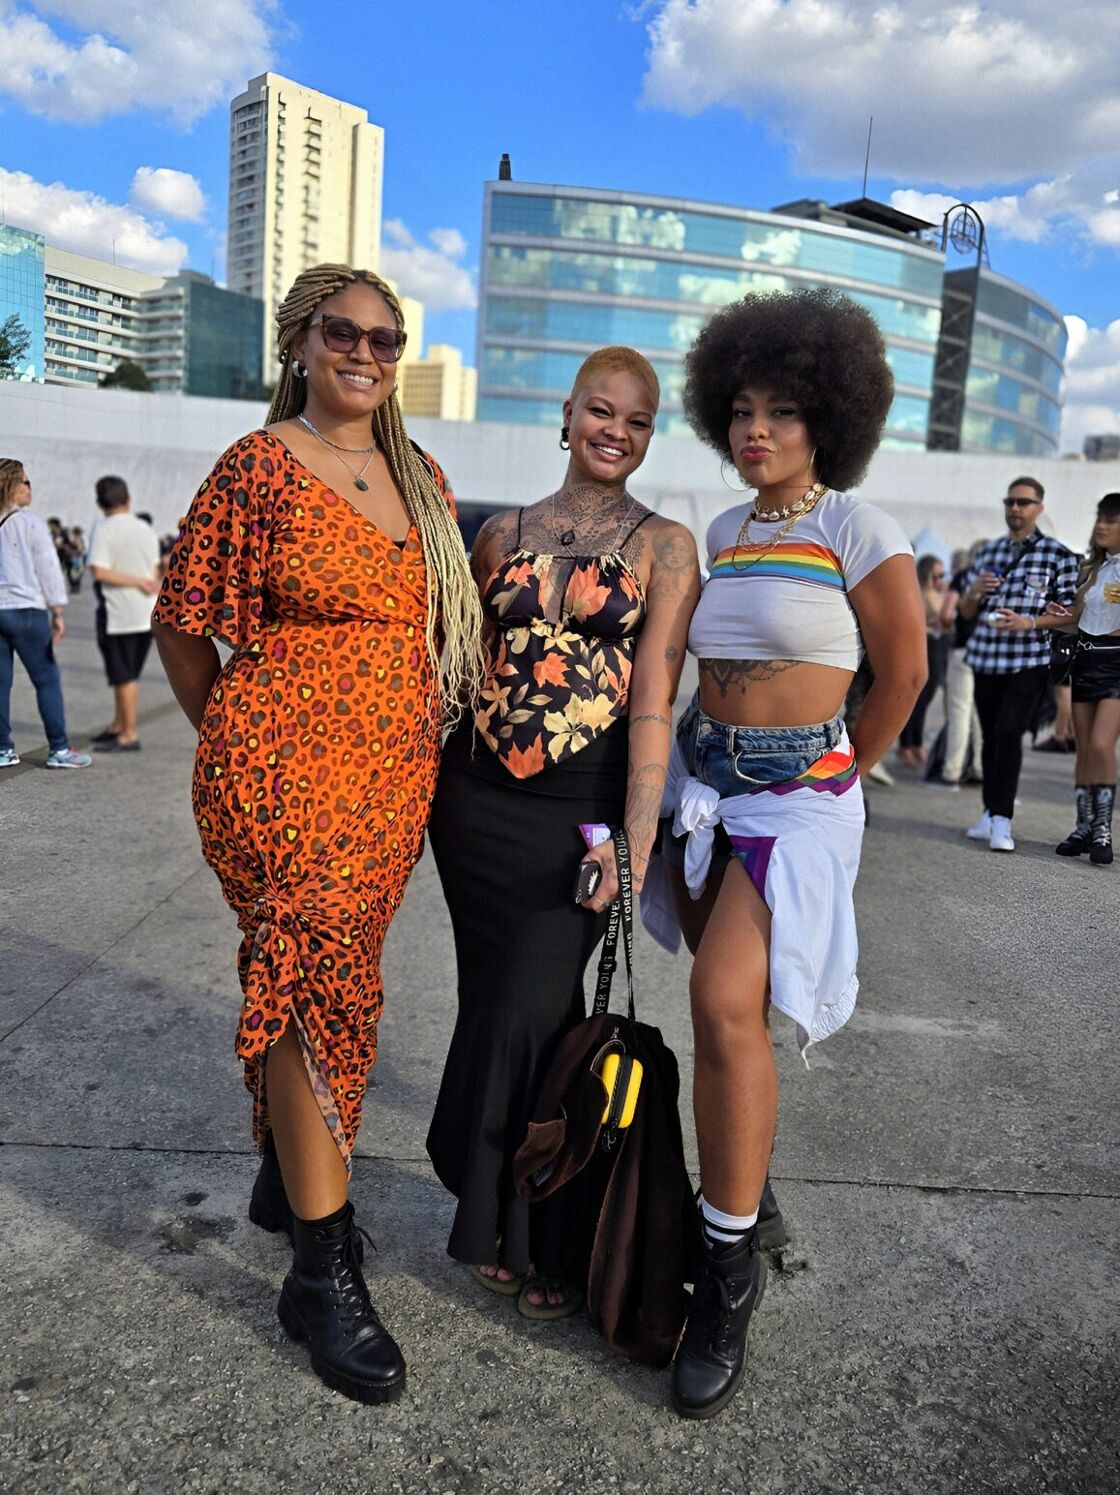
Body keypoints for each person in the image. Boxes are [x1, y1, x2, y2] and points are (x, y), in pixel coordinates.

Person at [153, 264, 484, 1405]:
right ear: (297, 343)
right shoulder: (256, 466)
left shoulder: (422, 476)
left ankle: (283, 1166)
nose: (368, 354)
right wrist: (248, 736)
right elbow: (186, 623)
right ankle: (322, 1272)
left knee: (332, 980)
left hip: (388, 786)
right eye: (343, 333)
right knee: (311, 979)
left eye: (388, 340)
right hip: (281, 772)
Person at [642, 287, 925, 1420]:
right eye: (743, 410)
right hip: (709, 783)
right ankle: (741, 1203)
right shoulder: (720, 531)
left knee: (720, 1003)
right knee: (726, 1019)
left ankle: (725, 1281)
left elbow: (900, 671)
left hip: (800, 797)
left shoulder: (858, 526)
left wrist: (836, 773)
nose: (758, 430)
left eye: (785, 412)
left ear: (830, 423)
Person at [425, 347, 700, 1321]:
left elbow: (655, 704)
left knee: (535, 1009)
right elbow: (458, 670)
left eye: (635, 418)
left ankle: (519, 1214)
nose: (614, 430)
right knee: (492, 1000)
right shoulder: (496, 534)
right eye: (599, 410)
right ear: (567, 414)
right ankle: (509, 1207)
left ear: (647, 432)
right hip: (473, 804)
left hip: (574, 809)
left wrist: (628, 839)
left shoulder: (666, 544)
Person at [996, 493, 1120, 865]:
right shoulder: (1094, 570)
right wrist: (1058, 612)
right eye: (1100, 517)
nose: (1101, 525)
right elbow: (1079, 615)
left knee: (1100, 745)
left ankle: (1102, 829)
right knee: (1083, 749)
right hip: (1084, 662)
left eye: (1111, 520)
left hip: (1117, 665)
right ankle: (1082, 826)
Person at [958, 477, 1079, 853]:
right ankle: (989, 811)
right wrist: (976, 591)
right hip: (986, 655)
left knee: (1011, 730)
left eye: (1024, 502)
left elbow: (1072, 612)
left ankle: (1002, 819)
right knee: (991, 736)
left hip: (1029, 657)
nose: (1015, 508)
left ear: (1039, 507)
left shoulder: (1058, 555)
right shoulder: (988, 552)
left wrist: (1030, 622)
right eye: (1010, 501)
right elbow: (965, 612)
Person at [0, 459, 91, 770]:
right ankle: (59, 749)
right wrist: (58, 610)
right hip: (26, 611)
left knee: (0, 683)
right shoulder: (31, 524)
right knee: (46, 680)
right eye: (26, 481)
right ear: (12, 486)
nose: (30, 487)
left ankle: (2, 749)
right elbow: (49, 570)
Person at [88, 476, 161, 752]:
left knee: (123, 675)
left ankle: (128, 734)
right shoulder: (145, 529)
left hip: (118, 612)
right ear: (128, 499)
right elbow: (153, 571)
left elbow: (99, 571)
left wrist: (135, 582)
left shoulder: (104, 528)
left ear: (100, 503)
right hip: (145, 612)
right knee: (128, 673)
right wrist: (145, 583)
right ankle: (118, 724)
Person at [927, 542, 985, 789]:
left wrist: (949, 629)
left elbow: (946, 614)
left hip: (962, 650)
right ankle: (981, 768)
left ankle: (952, 770)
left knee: (959, 711)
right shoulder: (999, 577)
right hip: (988, 653)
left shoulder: (963, 577)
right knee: (980, 714)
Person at [897, 554, 949, 766]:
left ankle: (916, 743)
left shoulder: (940, 594)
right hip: (923, 646)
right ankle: (907, 744)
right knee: (916, 699)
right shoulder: (918, 594)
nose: (939, 580)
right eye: (935, 576)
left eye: (941, 575)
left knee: (926, 699)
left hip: (939, 648)